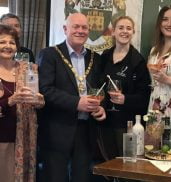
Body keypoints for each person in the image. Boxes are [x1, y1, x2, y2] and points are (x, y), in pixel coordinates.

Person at [37, 13, 106, 182]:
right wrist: (77, 103)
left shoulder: (95, 58)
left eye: (84, 27)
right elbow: (44, 90)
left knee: (81, 178)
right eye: (76, 26)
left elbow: (99, 90)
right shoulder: (49, 54)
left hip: (86, 130)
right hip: (56, 131)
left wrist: (100, 107)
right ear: (65, 29)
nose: (80, 31)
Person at [99, 16, 151, 159]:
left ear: (133, 32)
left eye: (129, 28)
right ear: (113, 32)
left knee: (127, 165)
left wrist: (125, 99)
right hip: (104, 122)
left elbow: (145, 97)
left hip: (127, 124)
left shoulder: (138, 61)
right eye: (121, 28)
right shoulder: (104, 56)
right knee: (107, 165)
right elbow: (99, 87)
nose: (125, 31)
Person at [0, 24, 44, 182]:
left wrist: (40, 100)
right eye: (2, 42)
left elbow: (38, 100)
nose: (7, 46)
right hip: (2, 139)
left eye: (11, 42)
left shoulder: (28, 69)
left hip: (25, 138)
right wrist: (10, 101)